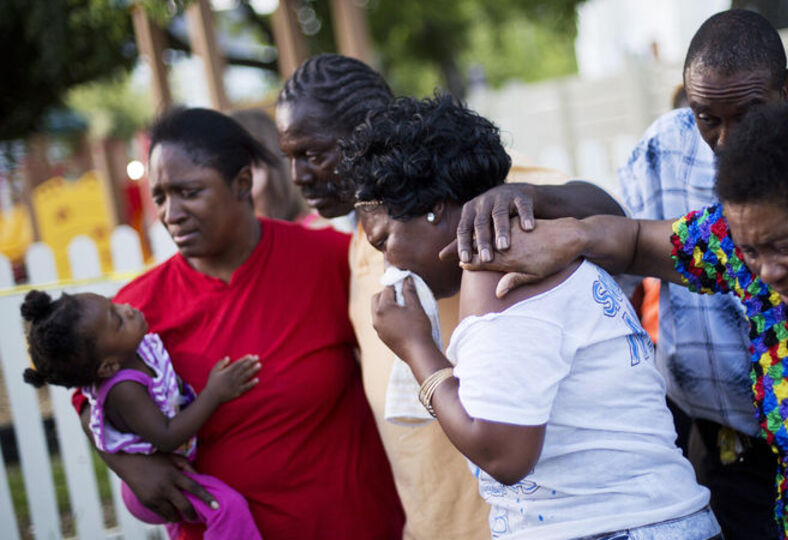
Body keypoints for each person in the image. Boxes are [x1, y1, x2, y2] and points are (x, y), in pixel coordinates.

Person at [450, 10, 788, 538]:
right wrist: (558, 222)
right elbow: (630, 236)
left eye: (748, 113)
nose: (727, 140)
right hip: (725, 446)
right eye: (708, 117)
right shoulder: (669, 158)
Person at [340, 93, 720, 540]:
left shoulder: (495, 271)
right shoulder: (545, 238)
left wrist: (417, 349)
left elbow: (503, 454)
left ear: (435, 209)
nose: (388, 266)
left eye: (384, 241)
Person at [275, 53, 621, 539]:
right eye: (288, 157)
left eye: (311, 154)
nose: (297, 176)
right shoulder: (359, 239)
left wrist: (526, 198)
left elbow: (612, 219)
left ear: (365, 131)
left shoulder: (484, 198)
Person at [72, 107, 404, 539]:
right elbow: (89, 400)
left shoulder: (329, 260)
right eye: (160, 197)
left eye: (189, 192)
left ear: (242, 183)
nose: (171, 213)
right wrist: (129, 466)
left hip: (355, 523)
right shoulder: (132, 311)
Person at [22, 290, 262, 539]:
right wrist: (214, 393)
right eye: (117, 321)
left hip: (171, 465)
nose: (127, 308)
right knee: (227, 508)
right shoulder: (124, 389)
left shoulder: (136, 352)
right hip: (154, 481)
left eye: (114, 305)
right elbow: (167, 436)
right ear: (108, 366)